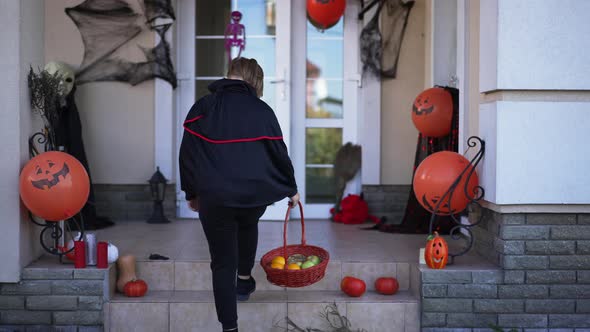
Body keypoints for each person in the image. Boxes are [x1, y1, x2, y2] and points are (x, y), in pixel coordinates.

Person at [179, 57, 299, 332]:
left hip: (214, 195)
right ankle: (244, 281)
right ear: (256, 81)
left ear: (229, 75)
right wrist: (291, 189)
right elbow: (278, 153)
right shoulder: (262, 110)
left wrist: (191, 192)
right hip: (253, 194)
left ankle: (230, 327)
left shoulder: (202, 108)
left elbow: (188, 155)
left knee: (222, 263)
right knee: (247, 224)